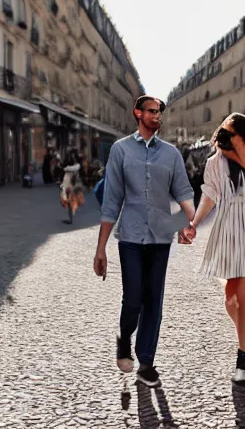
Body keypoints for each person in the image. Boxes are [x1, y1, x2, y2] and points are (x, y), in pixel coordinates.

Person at [93, 95, 195, 388]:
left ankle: (146, 361)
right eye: (151, 112)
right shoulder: (121, 150)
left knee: (154, 302)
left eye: (160, 112)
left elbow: (184, 192)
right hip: (131, 237)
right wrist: (100, 249)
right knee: (133, 298)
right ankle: (124, 338)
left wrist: (189, 222)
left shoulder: (172, 154)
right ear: (138, 113)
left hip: (161, 238)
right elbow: (111, 201)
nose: (157, 117)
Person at [180, 113, 245, 387]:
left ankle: (242, 359)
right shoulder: (215, 163)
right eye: (223, 133)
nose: (224, 138)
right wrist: (194, 223)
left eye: (230, 133)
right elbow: (209, 197)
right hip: (227, 232)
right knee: (232, 297)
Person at [60, 153, 85, 224]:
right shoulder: (76, 166)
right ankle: (71, 217)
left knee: (70, 201)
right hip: (72, 186)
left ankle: (70, 218)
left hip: (70, 186)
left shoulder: (69, 170)